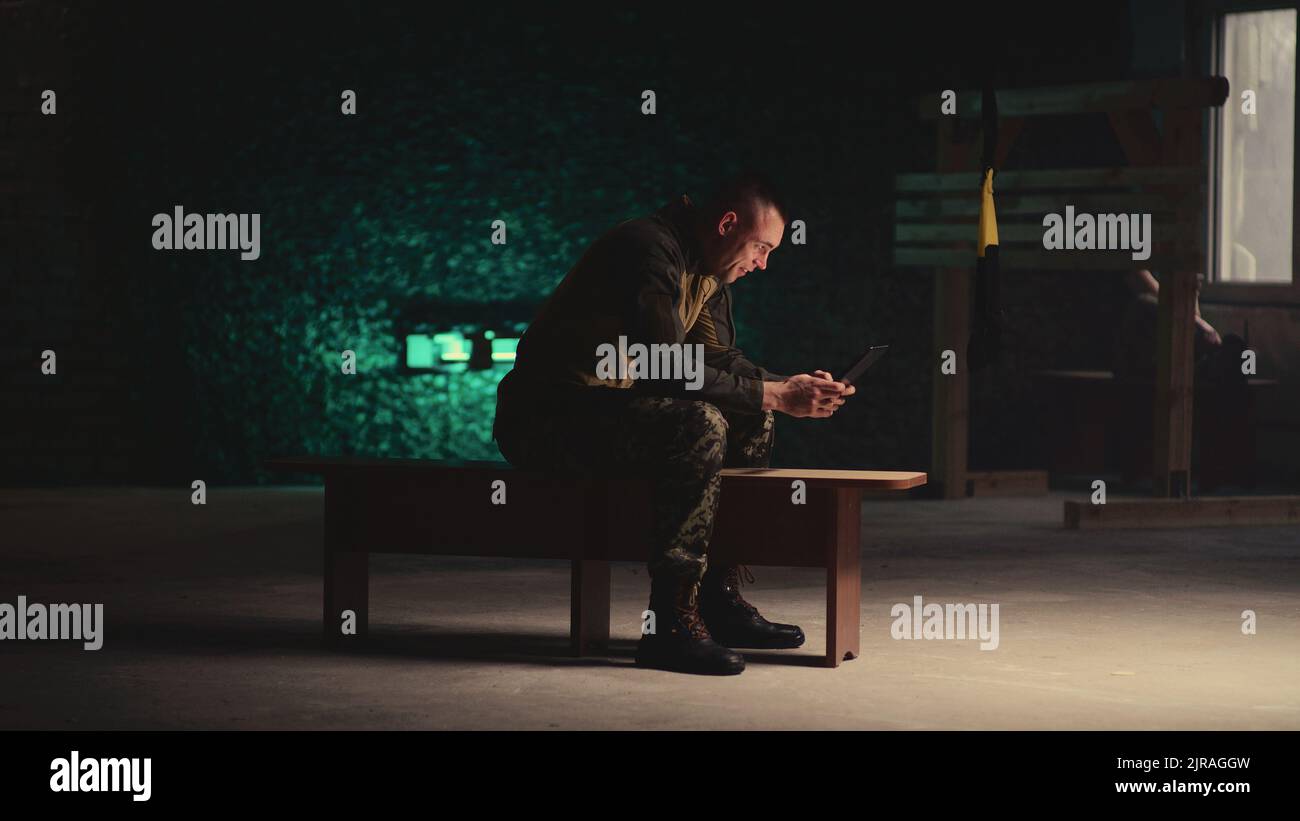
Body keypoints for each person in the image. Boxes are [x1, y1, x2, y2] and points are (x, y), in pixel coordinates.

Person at [492, 173, 854, 675]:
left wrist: (790, 386)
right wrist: (774, 393)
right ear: (728, 224)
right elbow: (665, 367)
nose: (763, 263)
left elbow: (720, 360)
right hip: (549, 417)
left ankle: (716, 601)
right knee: (699, 423)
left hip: (609, 414)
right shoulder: (647, 248)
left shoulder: (708, 270)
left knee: (752, 416)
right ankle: (670, 623)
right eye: (761, 247)